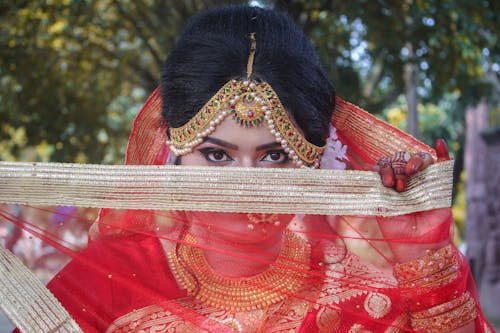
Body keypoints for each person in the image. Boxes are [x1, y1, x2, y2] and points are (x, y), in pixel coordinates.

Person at [8, 4, 493, 333]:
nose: (244, 187)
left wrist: (426, 258)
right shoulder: (108, 284)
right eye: (217, 155)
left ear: (313, 157)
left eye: (274, 155)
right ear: (176, 151)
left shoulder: (362, 289)